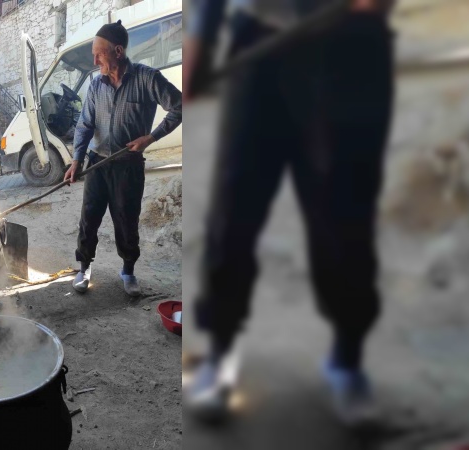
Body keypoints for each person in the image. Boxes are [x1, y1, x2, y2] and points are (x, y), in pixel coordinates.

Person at [182, 0, 397, 426]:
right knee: (234, 210)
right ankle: (220, 355)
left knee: (346, 215)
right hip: (260, 40)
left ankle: (347, 361)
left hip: (349, 41)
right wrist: (200, 39)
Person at [64, 20, 182, 297]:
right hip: (98, 163)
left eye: (99, 54)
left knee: (127, 219)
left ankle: (128, 271)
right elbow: (85, 125)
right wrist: (76, 160)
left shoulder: (147, 78)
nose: (94, 60)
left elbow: (180, 106)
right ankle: (84, 268)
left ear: (118, 51)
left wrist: (150, 138)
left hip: (128, 166)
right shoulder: (95, 86)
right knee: (89, 218)